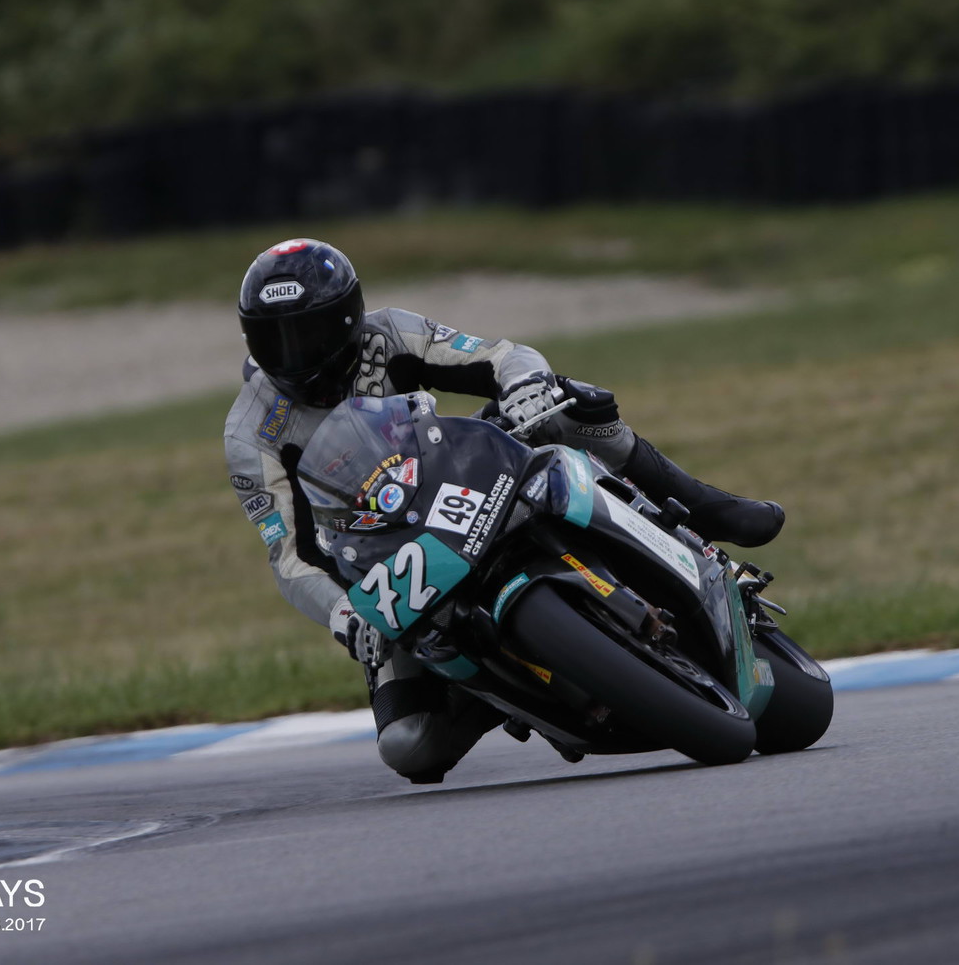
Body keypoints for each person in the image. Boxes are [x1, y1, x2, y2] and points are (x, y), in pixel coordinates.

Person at [223, 238, 783, 783]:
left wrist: (525, 385)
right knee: (410, 746)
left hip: (459, 475)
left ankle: (705, 511)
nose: (298, 355)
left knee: (568, 406)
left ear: (349, 317)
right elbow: (290, 557)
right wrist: (347, 613)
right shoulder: (251, 433)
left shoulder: (389, 332)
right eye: (277, 341)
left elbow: (499, 355)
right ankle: (496, 687)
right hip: (388, 559)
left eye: (311, 333)